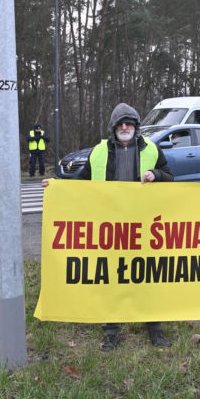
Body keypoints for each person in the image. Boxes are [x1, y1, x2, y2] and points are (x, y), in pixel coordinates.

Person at [45, 102, 174, 349]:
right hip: (110, 229)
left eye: (129, 123)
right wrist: (56, 187)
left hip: (143, 227)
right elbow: (81, 184)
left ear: (136, 127)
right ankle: (111, 331)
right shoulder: (99, 152)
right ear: (113, 127)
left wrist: (156, 175)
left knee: (149, 279)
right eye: (120, 123)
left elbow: (170, 177)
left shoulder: (152, 151)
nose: (125, 127)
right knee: (111, 280)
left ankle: (155, 329)